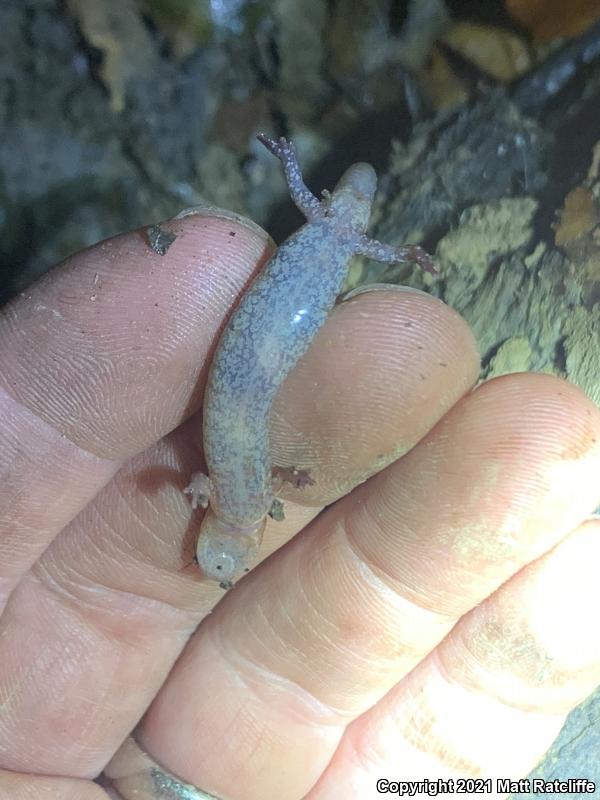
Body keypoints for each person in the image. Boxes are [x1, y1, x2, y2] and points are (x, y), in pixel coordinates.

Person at [0, 207, 599, 800]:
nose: (217, 563)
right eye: (226, 565)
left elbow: (232, 480)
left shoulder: (245, 502)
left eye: (220, 562)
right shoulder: (240, 500)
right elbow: (224, 481)